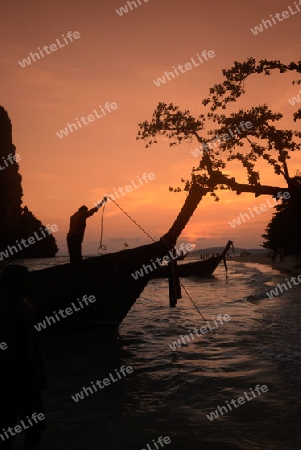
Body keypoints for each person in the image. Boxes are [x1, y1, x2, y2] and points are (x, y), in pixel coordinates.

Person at [0, 265, 46, 450]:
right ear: (10, 283)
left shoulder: (29, 304)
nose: (27, 283)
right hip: (6, 375)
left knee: (35, 427)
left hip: (28, 373)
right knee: (5, 428)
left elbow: (32, 340)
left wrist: (40, 370)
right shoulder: (3, 310)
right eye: (23, 279)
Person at [67, 199, 106, 263]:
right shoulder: (82, 214)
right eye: (86, 211)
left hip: (69, 237)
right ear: (84, 210)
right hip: (76, 237)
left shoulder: (72, 216)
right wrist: (102, 202)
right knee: (77, 255)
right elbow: (93, 210)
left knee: (72, 256)